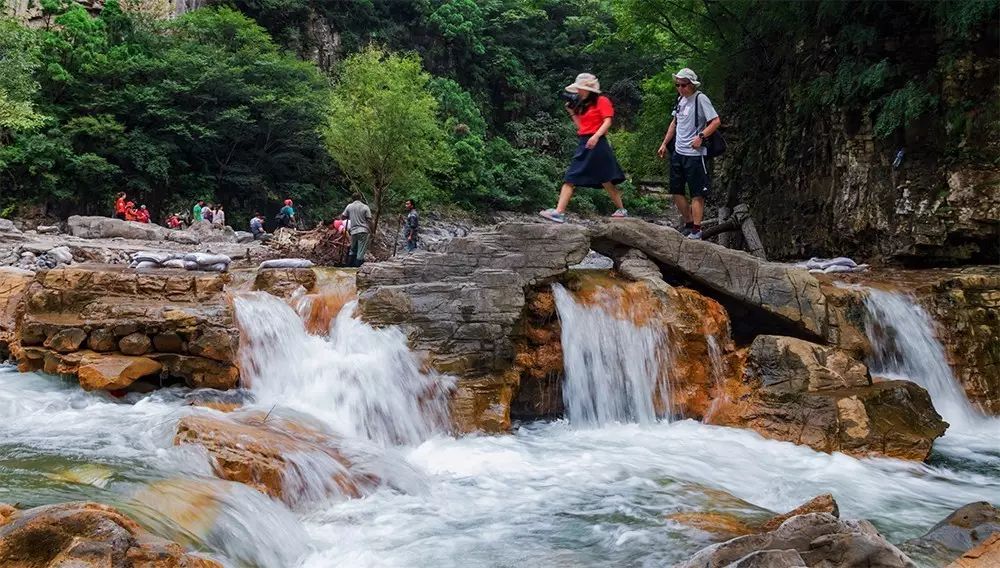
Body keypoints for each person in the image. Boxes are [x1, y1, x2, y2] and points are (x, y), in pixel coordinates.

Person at [539, 73, 628, 223]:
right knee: (604, 179)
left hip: (597, 142)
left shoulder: (602, 101)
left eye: (580, 88)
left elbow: (607, 122)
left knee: (574, 177)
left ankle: (559, 212)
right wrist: (573, 113)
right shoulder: (583, 105)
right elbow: (582, 127)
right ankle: (622, 209)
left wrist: (596, 136)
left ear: (588, 90)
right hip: (585, 141)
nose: (578, 92)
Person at [657, 67, 721, 240]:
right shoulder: (680, 100)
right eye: (677, 85)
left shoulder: (701, 99)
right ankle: (688, 223)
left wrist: (701, 136)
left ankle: (697, 229)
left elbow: (715, 121)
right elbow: (674, 123)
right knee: (676, 190)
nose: (680, 88)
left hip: (695, 154)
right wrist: (664, 143)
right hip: (678, 152)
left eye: (683, 85)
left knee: (697, 193)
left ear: (692, 84)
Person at [341, 192, 372, 267]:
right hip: (363, 230)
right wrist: (372, 230)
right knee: (360, 250)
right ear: (360, 198)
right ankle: (357, 267)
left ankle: (349, 266)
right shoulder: (365, 207)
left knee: (353, 249)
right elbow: (369, 219)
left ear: (352, 198)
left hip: (353, 231)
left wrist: (349, 216)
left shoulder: (349, 206)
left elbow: (343, 217)